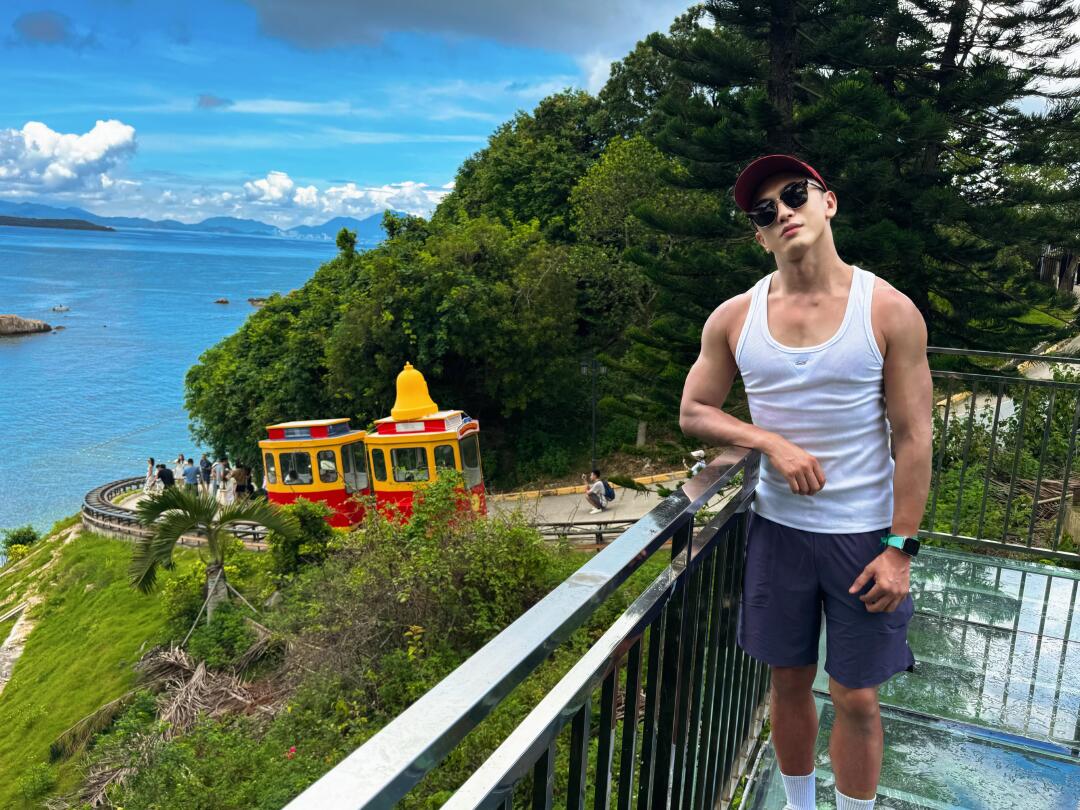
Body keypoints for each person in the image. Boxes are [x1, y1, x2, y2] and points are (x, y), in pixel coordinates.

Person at [679, 155, 932, 810]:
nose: (783, 212)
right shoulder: (734, 318)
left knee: (857, 696)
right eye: (765, 211)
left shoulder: (888, 311)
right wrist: (771, 442)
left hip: (864, 537)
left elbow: (914, 437)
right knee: (787, 685)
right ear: (759, 236)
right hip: (778, 532)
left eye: (795, 195)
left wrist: (900, 550)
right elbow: (694, 411)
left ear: (829, 202)